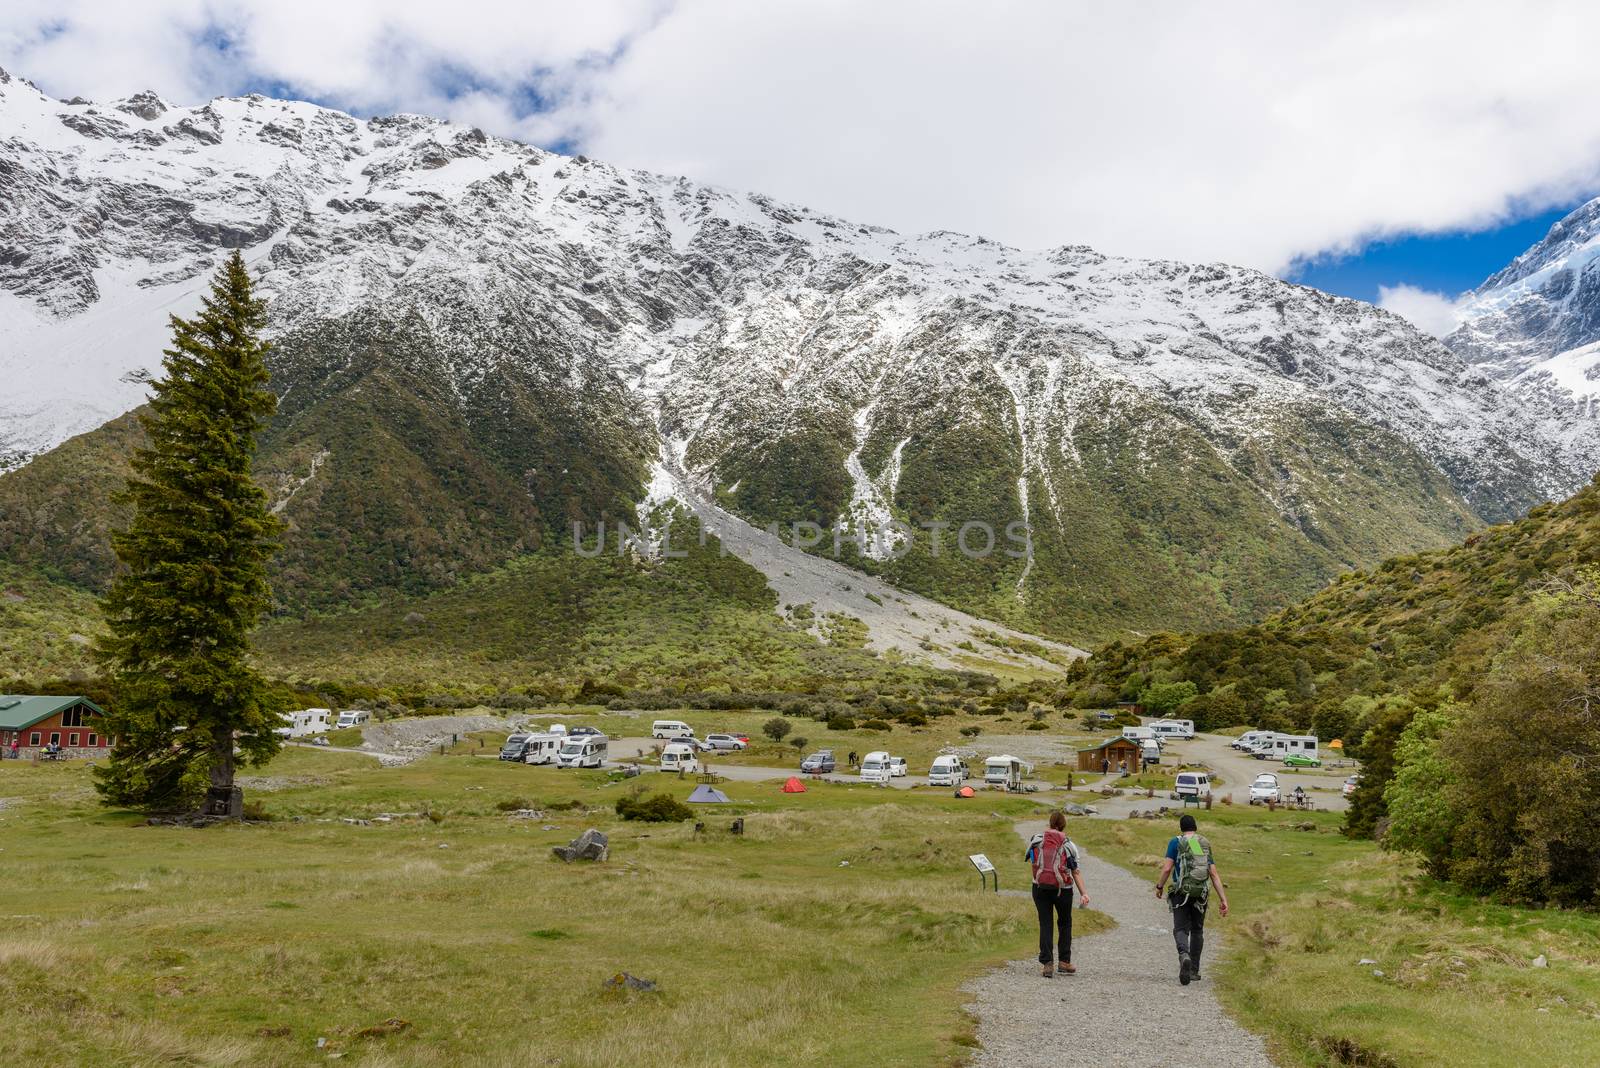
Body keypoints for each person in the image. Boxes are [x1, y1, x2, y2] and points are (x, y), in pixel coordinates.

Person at [1154, 813, 1228, 985]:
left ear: (1181, 827)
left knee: (1180, 928)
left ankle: (1184, 955)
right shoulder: (1198, 843)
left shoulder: (1176, 842)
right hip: (1200, 893)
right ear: (1195, 827)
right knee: (1197, 930)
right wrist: (1223, 899)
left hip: (1181, 892)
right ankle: (1194, 970)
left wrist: (1159, 887)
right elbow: (1213, 873)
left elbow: (1166, 869)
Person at [1025, 811, 1090, 977]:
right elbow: (1075, 871)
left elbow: (1032, 861)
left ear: (1049, 823)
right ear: (1063, 825)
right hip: (1064, 890)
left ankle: (1047, 964)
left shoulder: (1036, 840)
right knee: (1065, 923)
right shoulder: (1069, 845)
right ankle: (1064, 962)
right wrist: (1084, 893)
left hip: (1039, 887)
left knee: (1045, 923)